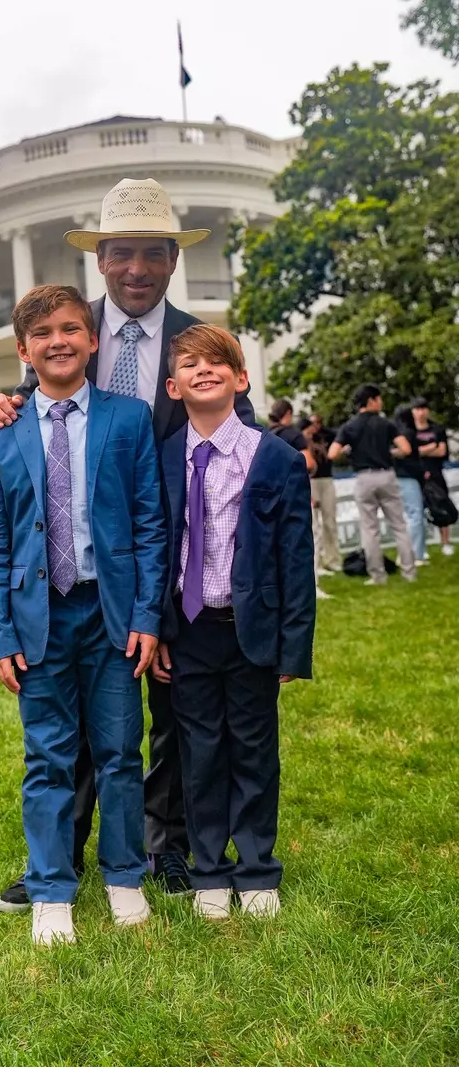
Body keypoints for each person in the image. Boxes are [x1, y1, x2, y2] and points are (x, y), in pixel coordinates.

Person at [0, 177, 255, 911]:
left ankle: (160, 850)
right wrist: (3, 405)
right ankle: (61, 859)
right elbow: (37, 414)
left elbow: (240, 444)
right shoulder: (68, 329)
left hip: (183, 562)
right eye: (122, 253)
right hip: (86, 565)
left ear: (171, 260)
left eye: (153, 254)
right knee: (74, 721)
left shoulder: (201, 340)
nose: (137, 268)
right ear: (100, 259)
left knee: (166, 717)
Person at [0, 285, 167, 946]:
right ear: (24, 349)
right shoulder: (0, 437)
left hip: (110, 613)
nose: (58, 340)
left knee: (118, 752)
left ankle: (121, 875)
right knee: (47, 756)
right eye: (43, 333)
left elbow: (148, 521)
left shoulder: (127, 418)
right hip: (38, 620)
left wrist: (146, 614)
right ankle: (51, 887)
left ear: (91, 340)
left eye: (70, 328)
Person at [152, 324, 315, 921]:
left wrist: (292, 647)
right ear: (173, 387)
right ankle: (210, 871)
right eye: (189, 364)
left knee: (253, 749)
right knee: (199, 753)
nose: (203, 370)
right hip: (188, 631)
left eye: (217, 364)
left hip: (251, 631)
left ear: (241, 379)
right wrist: (160, 628)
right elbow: (155, 549)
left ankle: (256, 870)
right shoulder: (164, 458)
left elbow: (296, 559)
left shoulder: (274, 458)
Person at [328, 385, 416, 585]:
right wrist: (389, 453)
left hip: (364, 478)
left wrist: (351, 451)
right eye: (379, 399)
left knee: (370, 529)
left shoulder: (349, 427)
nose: (381, 402)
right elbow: (406, 448)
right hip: (386, 475)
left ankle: (378, 576)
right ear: (371, 401)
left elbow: (332, 454)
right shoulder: (386, 424)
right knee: (399, 526)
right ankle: (409, 573)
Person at [412, 397, 455, 557]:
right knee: (418, 509)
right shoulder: (410, 431)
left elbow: (442, 451)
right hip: (417, 474)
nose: (421, 412)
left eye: (423, 408)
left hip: (436, 473)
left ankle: (446, 542)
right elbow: (410, 452)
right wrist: (430, 447)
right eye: (418, 409)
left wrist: (420, 450)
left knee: (441, 505)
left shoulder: (437, 429)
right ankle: (421, 546)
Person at [298, 417, 333, 601]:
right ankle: (313, 581)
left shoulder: (276, 436)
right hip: (304, 489)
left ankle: (319, 567)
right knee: (314, 533)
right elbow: (309, 465)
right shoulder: (297, 439)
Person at [393, 406, 427, 565]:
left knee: (407, 517)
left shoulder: (395, 433)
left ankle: (406, 554)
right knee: (415, 515)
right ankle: (414, 554)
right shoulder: (408, 433)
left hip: (398, 476)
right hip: (409, 477)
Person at [309, 413, 341, 573]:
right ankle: (317, 562)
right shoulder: (304, 436)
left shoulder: (329, 434)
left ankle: (332, 558)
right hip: (312, 480)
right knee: (314, 525)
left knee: (330, 521)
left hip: (326, 477)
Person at [267, 399, 317, 475]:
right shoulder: (294, 434)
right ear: (288, 412)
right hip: (291, 482)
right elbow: (308, 463)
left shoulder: (263, 435)